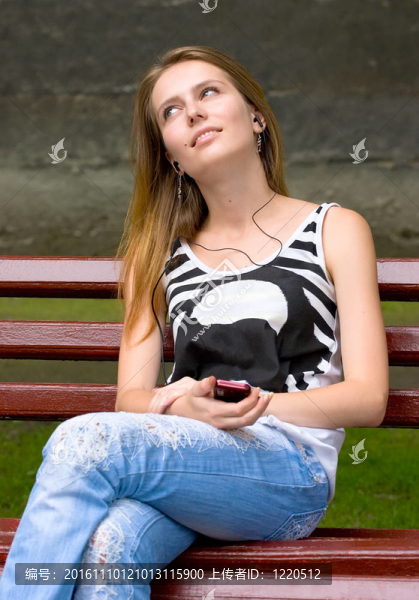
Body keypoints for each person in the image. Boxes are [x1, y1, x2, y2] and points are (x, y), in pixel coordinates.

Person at [0, 45, 389, 600]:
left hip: (288, 472)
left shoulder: (335, 228)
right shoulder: (156, 255)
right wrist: (183, 407)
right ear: (172, 156)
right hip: (182, 464)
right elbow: (130, 398)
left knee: (83, 440)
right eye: (172, 110)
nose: (194, 112)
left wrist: (247, 406)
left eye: (208, 92)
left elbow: (369, 398)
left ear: (256, 117)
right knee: (109, 548)